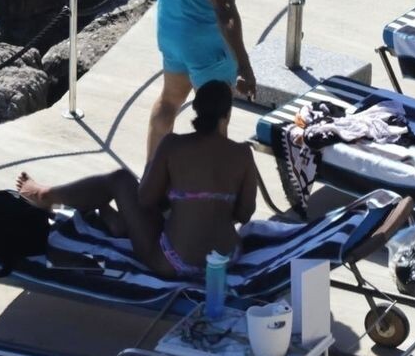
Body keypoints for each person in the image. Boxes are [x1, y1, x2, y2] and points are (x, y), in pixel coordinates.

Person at [17, 80, 257, 279]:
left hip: (175, 261)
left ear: (196, 110)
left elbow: (145, 199)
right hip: (226, 260)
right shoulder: (243, 154)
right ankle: (116, 220)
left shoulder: (173, 145)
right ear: (227, 114)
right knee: (177, 208)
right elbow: (244, 214)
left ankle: (45, 195)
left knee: (120, 180)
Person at [149, 0, 256, 164]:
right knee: (215, 121)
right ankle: (210, 182)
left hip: (172, 33)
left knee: (168, 102)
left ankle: (151, 176)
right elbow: (226, 13)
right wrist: (244, 64)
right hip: (208, 48)